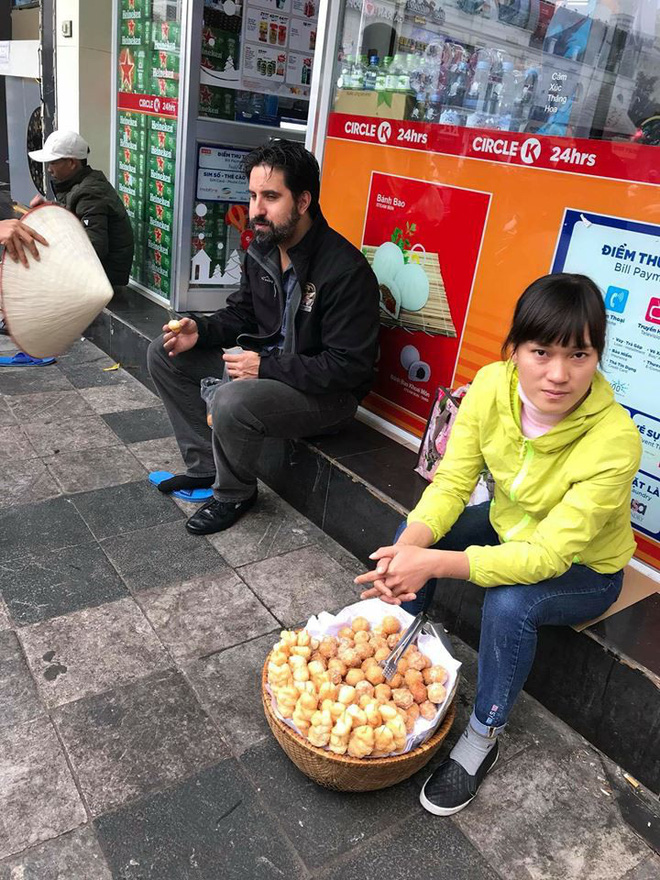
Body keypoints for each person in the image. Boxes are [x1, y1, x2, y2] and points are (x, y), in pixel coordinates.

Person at [356, 273, 641, 817]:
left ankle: (483, 735)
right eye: (541, 352)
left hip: (584, 569)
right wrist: (410, 549)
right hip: (509, 524)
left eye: (579, 355)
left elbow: (547, 557)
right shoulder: (489, 387)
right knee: (410, 536)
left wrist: (435, 562)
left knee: (510, 603)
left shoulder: (615, 441)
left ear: (598, 355)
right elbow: (452, 484)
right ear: (514, 351)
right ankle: (395, 658)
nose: (558, 375)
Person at [147, 138, 380, 535]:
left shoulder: (345, 270)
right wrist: (198, 329)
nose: (256, 209)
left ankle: (234, 494)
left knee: (232, 398)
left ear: (303, 201)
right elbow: (243, 313)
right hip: (272, 369)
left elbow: (348, 367)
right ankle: (205, 468)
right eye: (253, 195)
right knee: (163, 353)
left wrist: (265, 366)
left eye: (271, 197)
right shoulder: (264, 247)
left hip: (327, 397)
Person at [28, 130, 133, 287]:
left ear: (71, 163)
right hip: (99, 276)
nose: (49, 169)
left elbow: (94, 248)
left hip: (105, 282)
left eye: (53, 163)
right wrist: (49, 208)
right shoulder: (82, 186)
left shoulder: (90, 193)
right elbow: (76, 215)